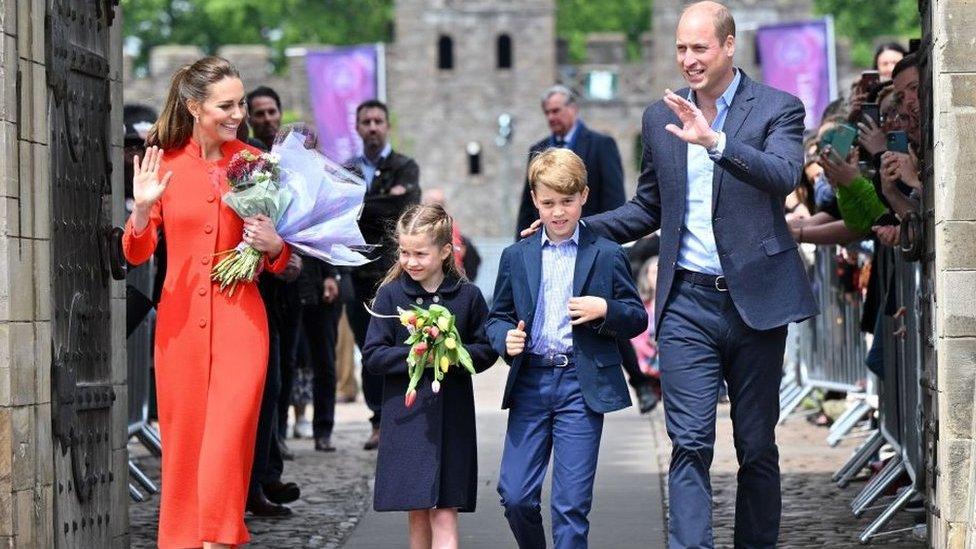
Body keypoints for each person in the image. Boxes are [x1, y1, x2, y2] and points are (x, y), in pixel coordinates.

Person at [524, 3, 817, 546]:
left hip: (756, 300)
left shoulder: (779, 107)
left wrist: (715, 142)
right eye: (681, 48)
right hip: (687, 303)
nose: (688, 59)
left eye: (699, 48)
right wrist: (571, 226)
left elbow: (783, 175)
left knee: (756, 445)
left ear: (728, 46)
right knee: (689, 442)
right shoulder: (661, 117)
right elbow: (648, 209)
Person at [123, 56, 292, 548]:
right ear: (195, 106)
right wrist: (144, 208)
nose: (237, 113)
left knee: (224, 448)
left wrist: (275, 246)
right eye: (226, 105)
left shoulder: (257, 165)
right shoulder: (164, 164)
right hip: (179, 331)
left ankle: (218, 540)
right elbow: (137, 251)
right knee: (183, 452)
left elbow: (282, 260)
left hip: (243, 325)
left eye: (241, 103)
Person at [488, 148, 648, 548]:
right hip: (531, 382)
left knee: (570, 505)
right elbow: (497, 316)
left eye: (566, 201)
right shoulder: (516, 256)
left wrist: (605, 308)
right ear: (534, 201)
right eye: (548, 203)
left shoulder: (608, 254)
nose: (558, 213)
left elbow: (636, 317)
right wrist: (505, 339)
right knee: (515, 495)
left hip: (581, 384)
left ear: (584, 197)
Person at [362, 204, 497, 549]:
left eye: (420, 253)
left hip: (452, 418)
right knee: (418, 511)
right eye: (405, 252)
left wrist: (452, 355)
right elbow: (373, 355)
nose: (411, 261)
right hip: (407, 418)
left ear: (445, 252)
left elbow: (485, 349)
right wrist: (415, 353)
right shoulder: (391, 295)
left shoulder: (467, 296)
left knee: (445, 509)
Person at [345, 99, 422, 450]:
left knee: (402, 345)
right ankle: (378, 420)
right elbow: (342, 215)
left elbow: (403, 210)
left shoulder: (405, 167)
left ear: (387, 125)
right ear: (358, 127)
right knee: (370, 349)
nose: (373, 127)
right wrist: (380, 201)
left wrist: (364, 203)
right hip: (359, 274)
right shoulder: (347, 171)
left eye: (378, 121)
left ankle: (403, 417)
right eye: (366, 121)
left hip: (396, 272)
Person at [515, 85, 625, 239]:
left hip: (592, 242)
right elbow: (527, 205)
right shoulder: (537, 150)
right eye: (547, 112)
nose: (551, 118)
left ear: (573, 108)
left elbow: (614, 200)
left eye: (556, 111)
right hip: (545, 242)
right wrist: (521, 244)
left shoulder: (602, 145)